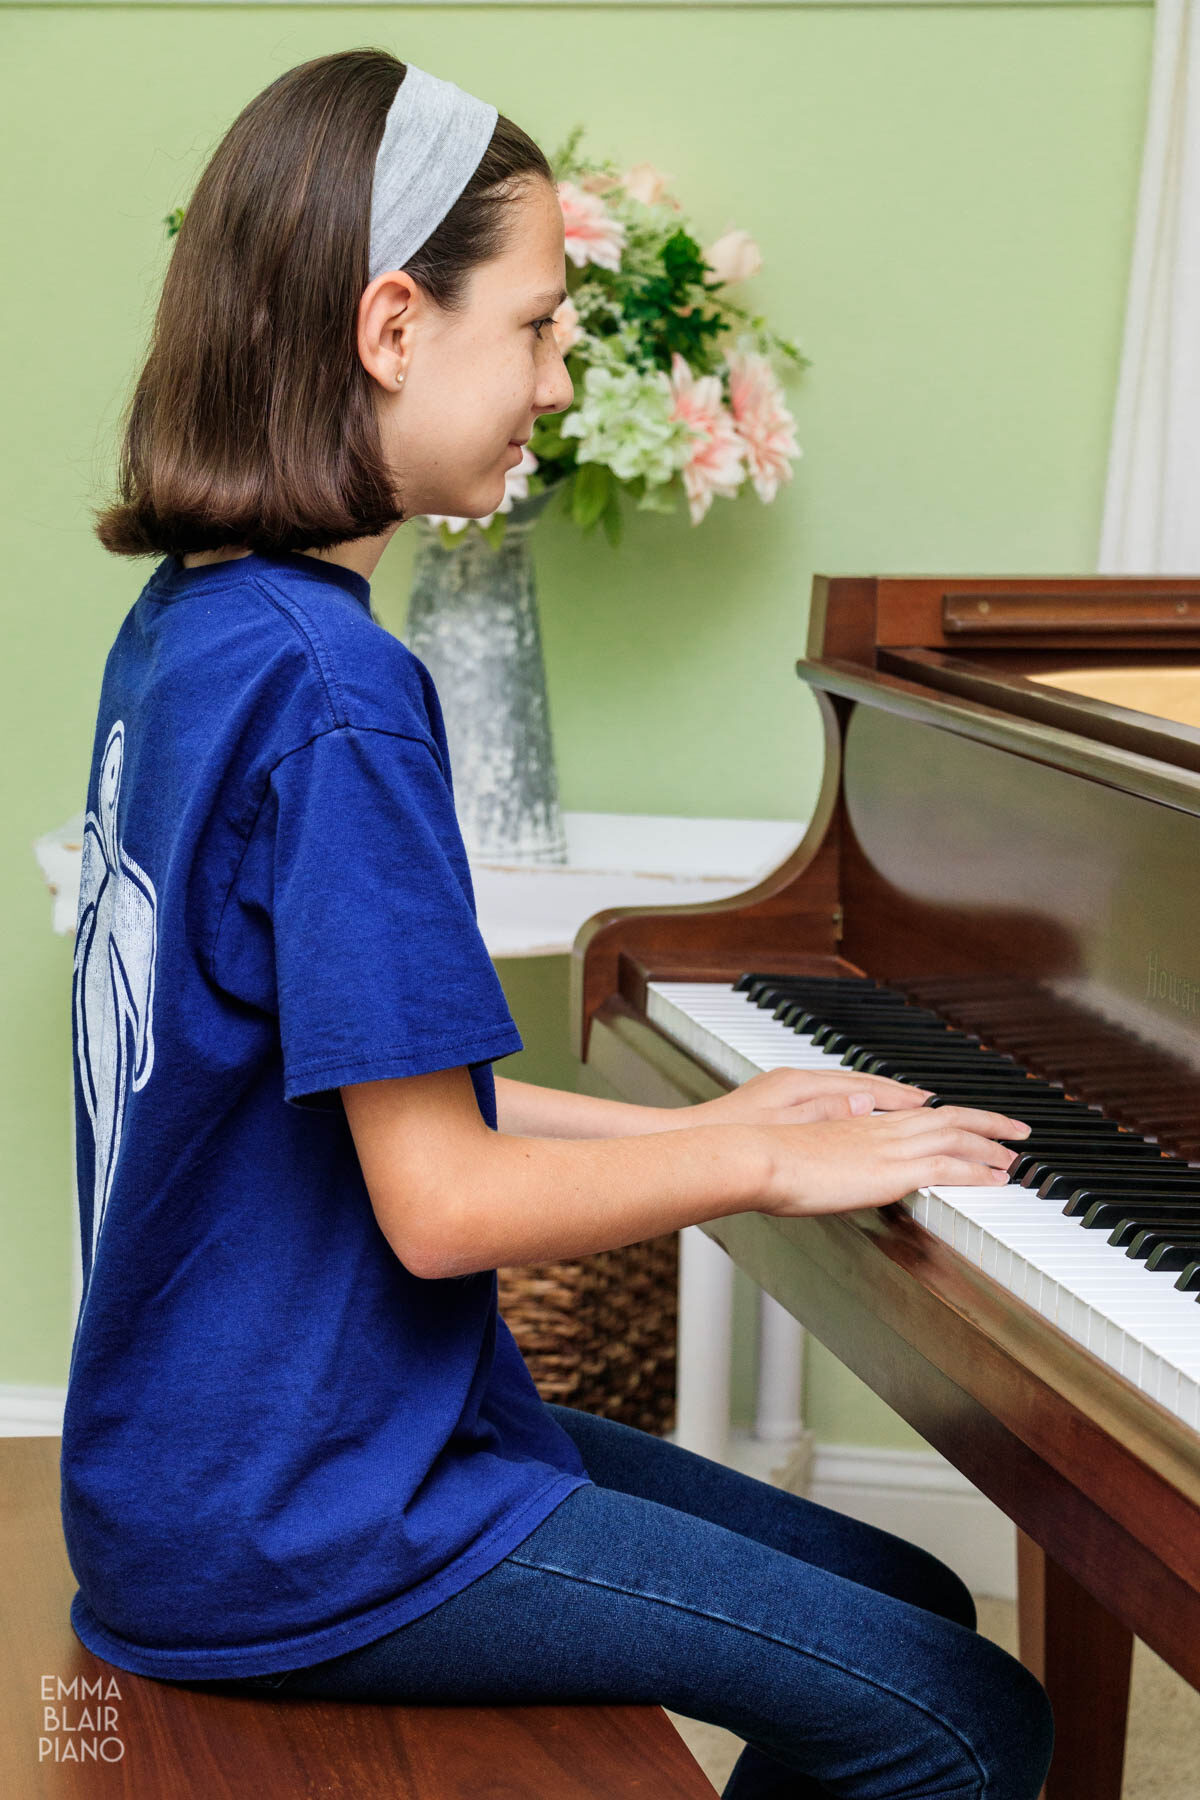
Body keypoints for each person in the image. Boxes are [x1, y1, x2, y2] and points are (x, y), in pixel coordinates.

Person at [65, 47, 1054, 1798]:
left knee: (905, 1593)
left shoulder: (192, 633)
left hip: (218, 1460)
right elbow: (442, 1207)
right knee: (958, 1717)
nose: (554, 376)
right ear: (390, 326)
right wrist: (758, 1171)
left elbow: (357, 1092)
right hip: (307, 1516)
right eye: (531, 326)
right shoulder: (336, 692)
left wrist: (709, 1118)